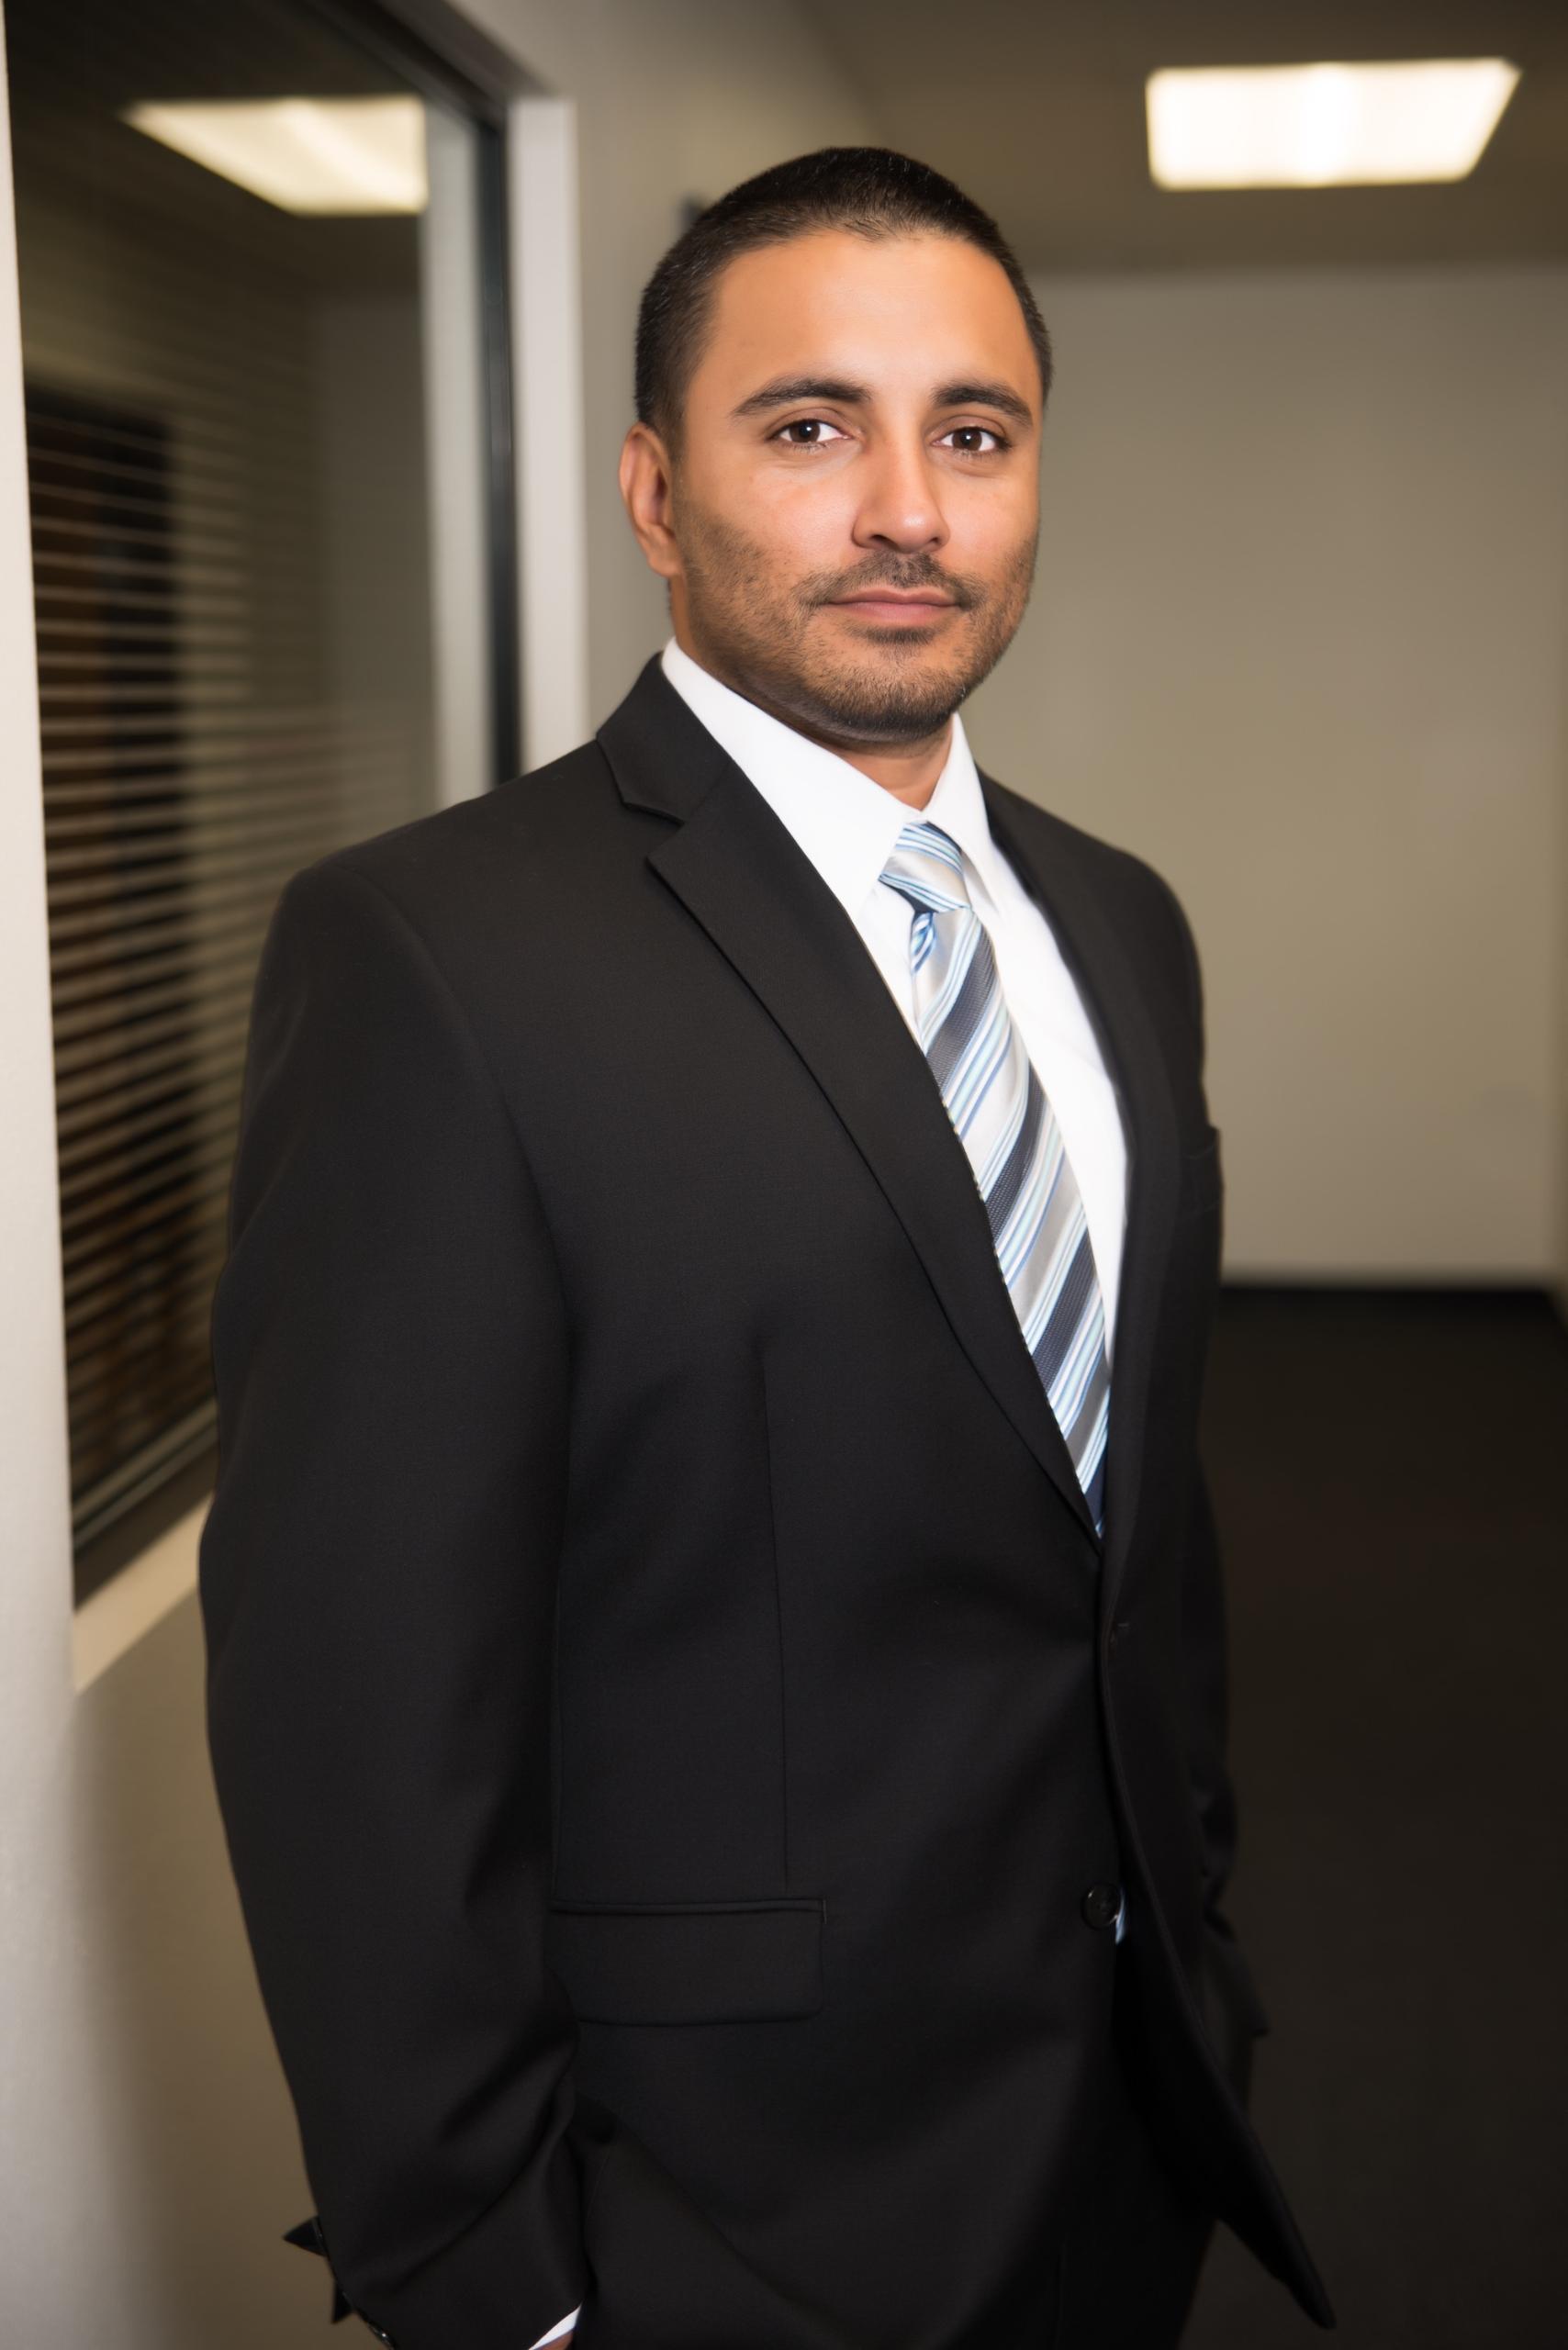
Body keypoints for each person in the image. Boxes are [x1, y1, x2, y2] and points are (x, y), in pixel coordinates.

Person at [198, 146, 1334, 2350]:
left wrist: (1195, 1938)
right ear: (652, 490)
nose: (905, 507)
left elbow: (1126, 1524)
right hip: (722, 2212)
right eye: (809, 426)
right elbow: (355, 1701)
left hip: (1122, 2123)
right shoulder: (434, 957)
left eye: (971, 433)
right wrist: (505, 2286)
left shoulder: (1119, 924)